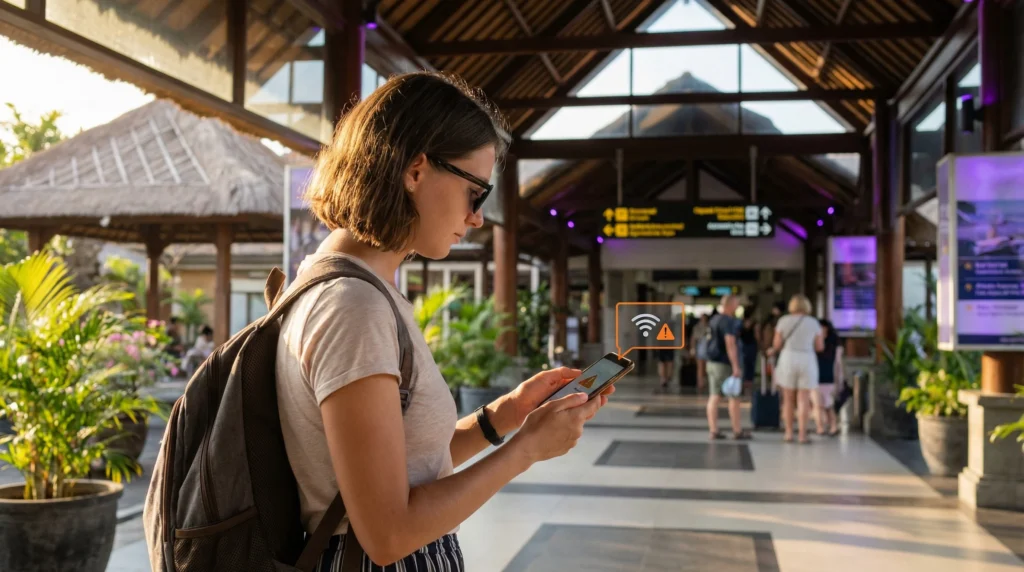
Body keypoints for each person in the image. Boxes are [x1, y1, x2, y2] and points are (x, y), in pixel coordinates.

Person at [274, 71, 614, 570]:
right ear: (416, 171)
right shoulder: (354, 306)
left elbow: (410, 465)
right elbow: (388, 533)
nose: (478, 217)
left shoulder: (355, 287)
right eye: (476, 192)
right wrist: (525, 451)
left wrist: (507, 413)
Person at [769, 295, 824, 444]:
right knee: (804, 399)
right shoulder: (813, 323)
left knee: (788, 399)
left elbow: (777, 344)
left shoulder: (783, 321)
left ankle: (788, 433)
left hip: (788, 358)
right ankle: (802, 435)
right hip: (807, 359)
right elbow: (820, 346)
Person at [705, 295, 751, 441]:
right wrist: (736, 366)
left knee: (714, 396)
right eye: (737, 304)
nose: (738, 307)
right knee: (734, 397)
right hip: (724, 364)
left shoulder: (714, 320)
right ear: (730, 305)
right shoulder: (729, 322)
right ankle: (737, 431)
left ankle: (713, 430)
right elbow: (730, 344)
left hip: (712, 362)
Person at [816, 319, 844, 437]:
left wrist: (840, 379)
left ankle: (832, 426)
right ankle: (822, 426)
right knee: (819, 404)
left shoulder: (833, 345)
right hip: (816, 376)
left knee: (827, 404)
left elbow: (838, 363)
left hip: (828, 377)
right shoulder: (815, 343)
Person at [739, 307, 758, 395]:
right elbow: (756, 335)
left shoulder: (739, 323)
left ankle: (743, 386)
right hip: (750, 346)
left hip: (743, 347)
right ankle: (747, 388)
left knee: (744, 366)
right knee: (749, 367)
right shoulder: (753, 324)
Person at [689, 314, 710, 391]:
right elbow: (693, 339)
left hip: (708, 351)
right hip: (700, 350)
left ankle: (707, 383)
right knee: (700, 368)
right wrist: (692, 349)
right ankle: (700, 384)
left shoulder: (710, 326)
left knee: (708, 369)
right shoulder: (697, 327)